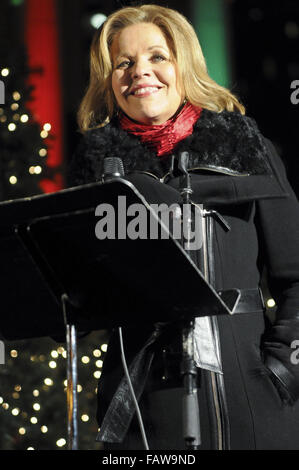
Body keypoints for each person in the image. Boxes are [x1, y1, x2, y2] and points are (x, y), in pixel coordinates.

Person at [69, 4, 299, 450]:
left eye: (158, 56)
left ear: (184, 65)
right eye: (124, 62)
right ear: (110, 79)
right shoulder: (98, 172)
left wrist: (282, 372)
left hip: (249, 402)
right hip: (138, 407)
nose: (140, 72)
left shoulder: (245, 150)